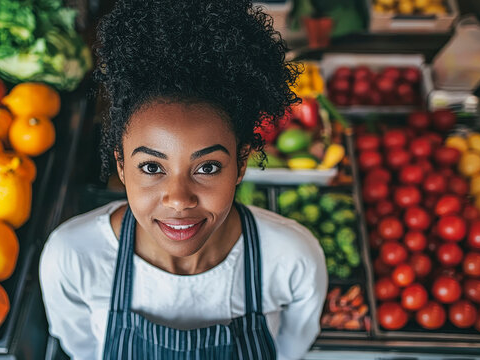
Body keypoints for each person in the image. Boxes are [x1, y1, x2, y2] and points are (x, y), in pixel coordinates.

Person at [39, 0, 327, 359]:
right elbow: (82, 348)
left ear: (240, 165)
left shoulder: (292, 258)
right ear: (122, 166)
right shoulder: (72, 257)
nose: (178, 199)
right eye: (151, 167)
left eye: (207, 167)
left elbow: (290, 349)